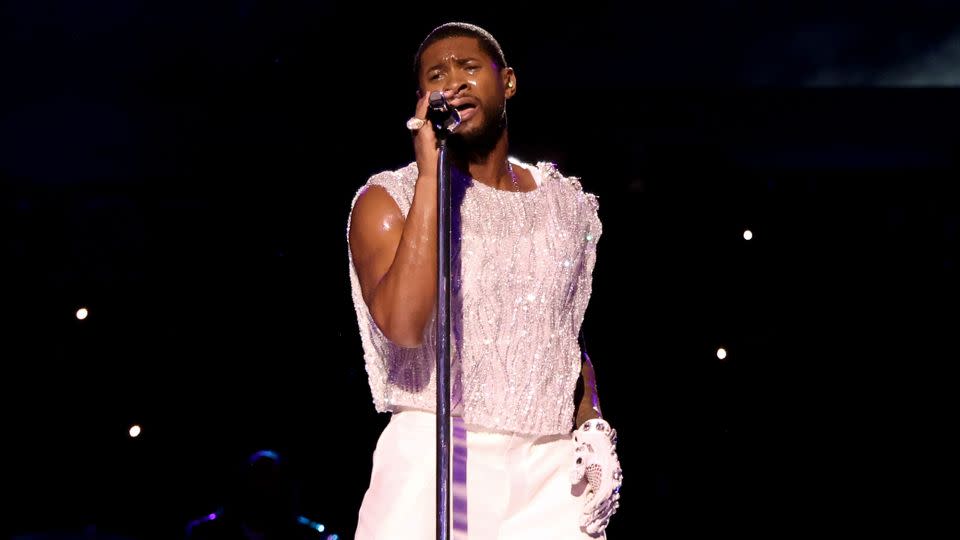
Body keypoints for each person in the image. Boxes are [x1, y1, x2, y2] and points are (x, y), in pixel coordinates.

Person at [346, 22, 622, 539]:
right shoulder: (389, 200)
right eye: (437, 75)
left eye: (469, 68)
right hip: (438, 452)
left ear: (509, 82)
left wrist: (594, 425)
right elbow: (403, 325)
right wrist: (431, 176)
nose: (454, 82)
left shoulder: (566, 204)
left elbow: (563, 334)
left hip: (550, 468)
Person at [185, 450, 335, 540]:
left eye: (271, 481)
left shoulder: (309, 536)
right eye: (257, 479)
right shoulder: (206, 534)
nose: (263, 489)